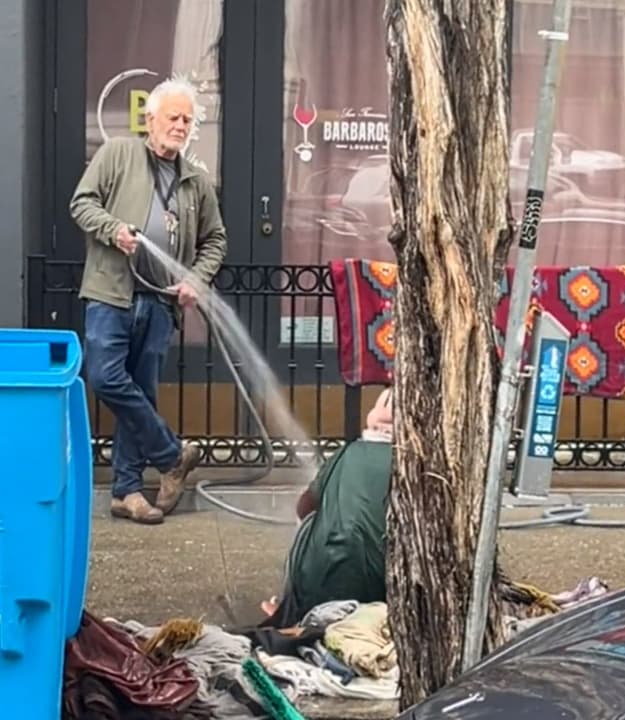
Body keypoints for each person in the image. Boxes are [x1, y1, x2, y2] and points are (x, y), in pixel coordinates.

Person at [69, 79, 228, 525]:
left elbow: (215, 239)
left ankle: (127, 491)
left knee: (141, 393)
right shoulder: (118, 154)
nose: (180, 126)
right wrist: (112, 229)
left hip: (160, 303)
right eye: (173, 118)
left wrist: (196, 279)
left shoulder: (195, 179)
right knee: (105, 377)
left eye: (187, 120)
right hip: (111, 293)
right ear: (150, 120)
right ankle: (172, 453)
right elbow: (81, 203)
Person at [258, 389, 395, 628]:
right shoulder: (415, 462)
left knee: (309, 523)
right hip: (384, 589)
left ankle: (289, 610)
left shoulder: (346, 454)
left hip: (324, 585)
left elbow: (304, 508)